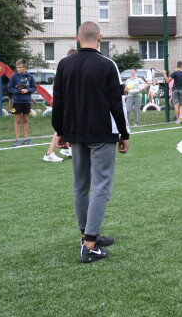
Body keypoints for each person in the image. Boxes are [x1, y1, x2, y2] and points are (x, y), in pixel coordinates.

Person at [52, 21, 129, 263]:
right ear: (100, 38)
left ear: (77, 38)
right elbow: (117, 103)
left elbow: (58, 101)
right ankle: (89, 245)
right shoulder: (107, 64)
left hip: (75, 133)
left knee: (81, 186)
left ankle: (87, 234)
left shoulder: (64, 64)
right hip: (101, 133)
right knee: (101, 186)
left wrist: (61, 131)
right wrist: (124, 134)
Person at [8, 59, 36, 147]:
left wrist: (27, 90)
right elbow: (10, 88)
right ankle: (17, 140)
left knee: (26, 120)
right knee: (17, 120)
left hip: (26, 101)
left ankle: (26, 139)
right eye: (17, 67)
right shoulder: (14, 76)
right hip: (16, 102)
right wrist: (18, 91)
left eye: (20, 67)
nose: (18, 69)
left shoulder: (30, 77)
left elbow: (34, 88)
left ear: (25, 67)